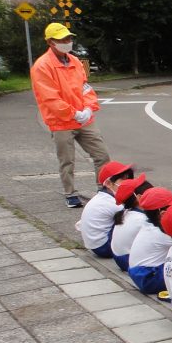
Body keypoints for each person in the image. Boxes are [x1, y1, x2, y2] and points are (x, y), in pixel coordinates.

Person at [29, 22, 111, 209]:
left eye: (68, 38)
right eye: (62, 39)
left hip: (84, 118)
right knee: (67, 160)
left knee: (102, 154)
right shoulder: (42, 66)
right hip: (61, 121)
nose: (67, 42)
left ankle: (103, 189)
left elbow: (85, 88)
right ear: (50, 42)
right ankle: (70, 193)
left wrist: (89, 108)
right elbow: (49, 98)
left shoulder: (75, 62)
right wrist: (74, 113)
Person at [128, 187, 172, 295]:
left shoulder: (149, 225)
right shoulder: (160, 233)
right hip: (149, 278)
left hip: (139, 274)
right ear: (161, 213)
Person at [78, 160, 133, 258]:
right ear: (108, 183)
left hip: (95, 244)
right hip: (104, 247)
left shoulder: (101, 197)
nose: (128, 183)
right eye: (123, 180)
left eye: (129, 179)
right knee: (133, 220)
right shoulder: (114, 203)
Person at [109, 173, 150, 271]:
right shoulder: (141, 219)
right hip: (129, 261)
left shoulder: (126, 212)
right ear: (139, 198)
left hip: (119, 258)